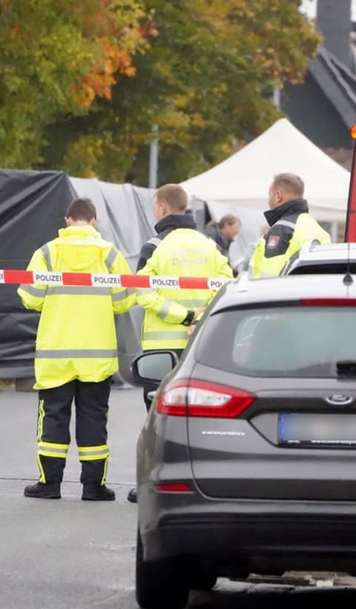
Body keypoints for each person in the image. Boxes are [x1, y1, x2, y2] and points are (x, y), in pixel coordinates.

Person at [17, 198, 135, 502]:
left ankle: (50, 484)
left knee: (53, 417)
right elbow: (123, 301)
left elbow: (29, 297)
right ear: (94, 222)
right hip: (96, 356)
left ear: (67, 220)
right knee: (94, 419)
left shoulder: (47, 253)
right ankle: (94, 487)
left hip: (56, 354)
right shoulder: (110, 255)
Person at [129, 184, 233, 503]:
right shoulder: (208, 246)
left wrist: (184, 316)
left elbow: (142, 292)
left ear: (162, 208)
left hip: (161, 352)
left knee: (157, 418)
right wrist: (201, 318)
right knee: (200, 413)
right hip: (201, 347)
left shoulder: (154, 246)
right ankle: (200, 482)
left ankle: (153, 484)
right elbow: (228, 285)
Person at [250, 173, 331, 278]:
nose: (268, 202)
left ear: (278, 196)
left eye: (270, 195)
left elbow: (269, 277)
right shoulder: (318, 229)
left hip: (280, 293)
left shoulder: (282, 229)